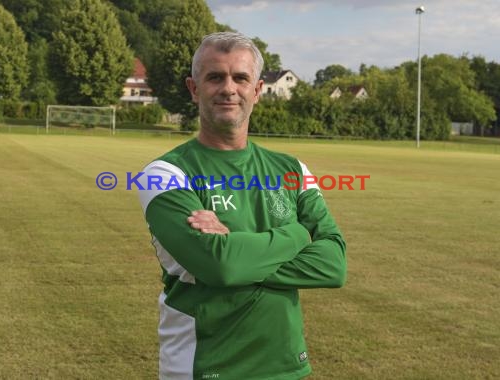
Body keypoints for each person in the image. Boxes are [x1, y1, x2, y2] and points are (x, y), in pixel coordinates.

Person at [137, 31, 346, 380]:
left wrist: (233, 242)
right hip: (202, 365)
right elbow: (221, 266)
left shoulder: (293, 170)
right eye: (215, 77)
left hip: (285, 365)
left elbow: (334, 265)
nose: (228, 88)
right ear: (194, 88)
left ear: (258, 90)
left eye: (240, 78)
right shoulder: (163, 174)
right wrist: (296, 233)